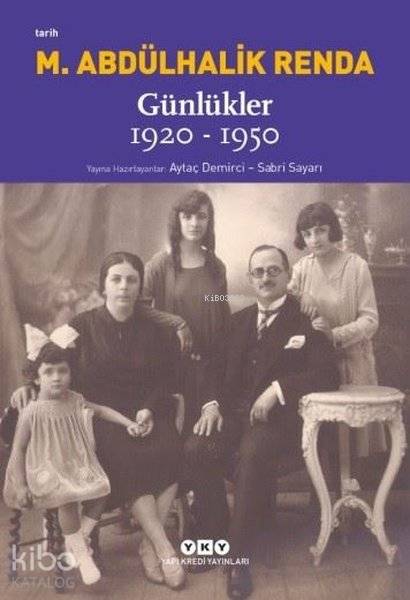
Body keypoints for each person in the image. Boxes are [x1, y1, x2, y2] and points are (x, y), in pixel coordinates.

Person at [11, 252, 186, 590]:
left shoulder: (154, 330)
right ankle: (163, 547)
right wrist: (28, 385)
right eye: (116, 279)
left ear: (140, 286)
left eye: (131, 280)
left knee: (172, 448)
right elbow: (44, 358)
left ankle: (148, 544)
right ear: (104, 286)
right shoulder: (81, 326)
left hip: (146, 412)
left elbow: (166, 379)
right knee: (123, 456)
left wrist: (149, 409)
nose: (124, 286)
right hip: (98, 415)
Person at [185, 245, 339, 599]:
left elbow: (327, 374)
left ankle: (237, 561)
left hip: (281, 422)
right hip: (234, 416)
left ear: (288, 275)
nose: (266, 278)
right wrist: (211, 405)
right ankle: (215, 537)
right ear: (250, 278)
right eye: (258, 272)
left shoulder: (306, 320)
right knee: (196, 448)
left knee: (253, 452)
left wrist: (278, 390)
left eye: (273, 270)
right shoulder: (236, 321)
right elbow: (210, 369)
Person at [3, 327, 141, 586]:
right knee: (67, 496)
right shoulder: (32, 411)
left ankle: (78, 539)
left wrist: (128, 423)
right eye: (49, 372)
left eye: (62, 371)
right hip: (43, 469)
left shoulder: (75, 400)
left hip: (75, 464)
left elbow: (102, 410)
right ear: (36, 378)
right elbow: (19, 449)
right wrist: (20, 485)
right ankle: (81, 553)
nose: (56, 378)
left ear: (70, 373)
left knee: (102, 488)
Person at [143, 190, 231, 549]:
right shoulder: (161, 265)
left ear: (209, 222)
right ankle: (177, 515)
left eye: (202, 216)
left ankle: (204, 519)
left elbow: (218, 306)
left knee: (202, 444)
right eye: (188, 216)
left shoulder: (216, 266)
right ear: (177, 220)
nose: (195, 223)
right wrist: (177, 321)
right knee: (177, 444)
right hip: (173, 370)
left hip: (209, 369)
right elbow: (141, 308)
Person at [289, 201, 386, 457]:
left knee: (355, 443)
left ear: (332, 229)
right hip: (316, 366)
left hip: (354, 363)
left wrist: (334, 335)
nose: (314, 239)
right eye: (307, 234)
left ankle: (354, 483)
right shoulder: (301, 270)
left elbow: (370, 320)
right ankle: (322, 484)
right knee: (323, 443)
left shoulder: (356, 266)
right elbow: (283, 305)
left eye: (320, 230)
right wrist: (300, 297)